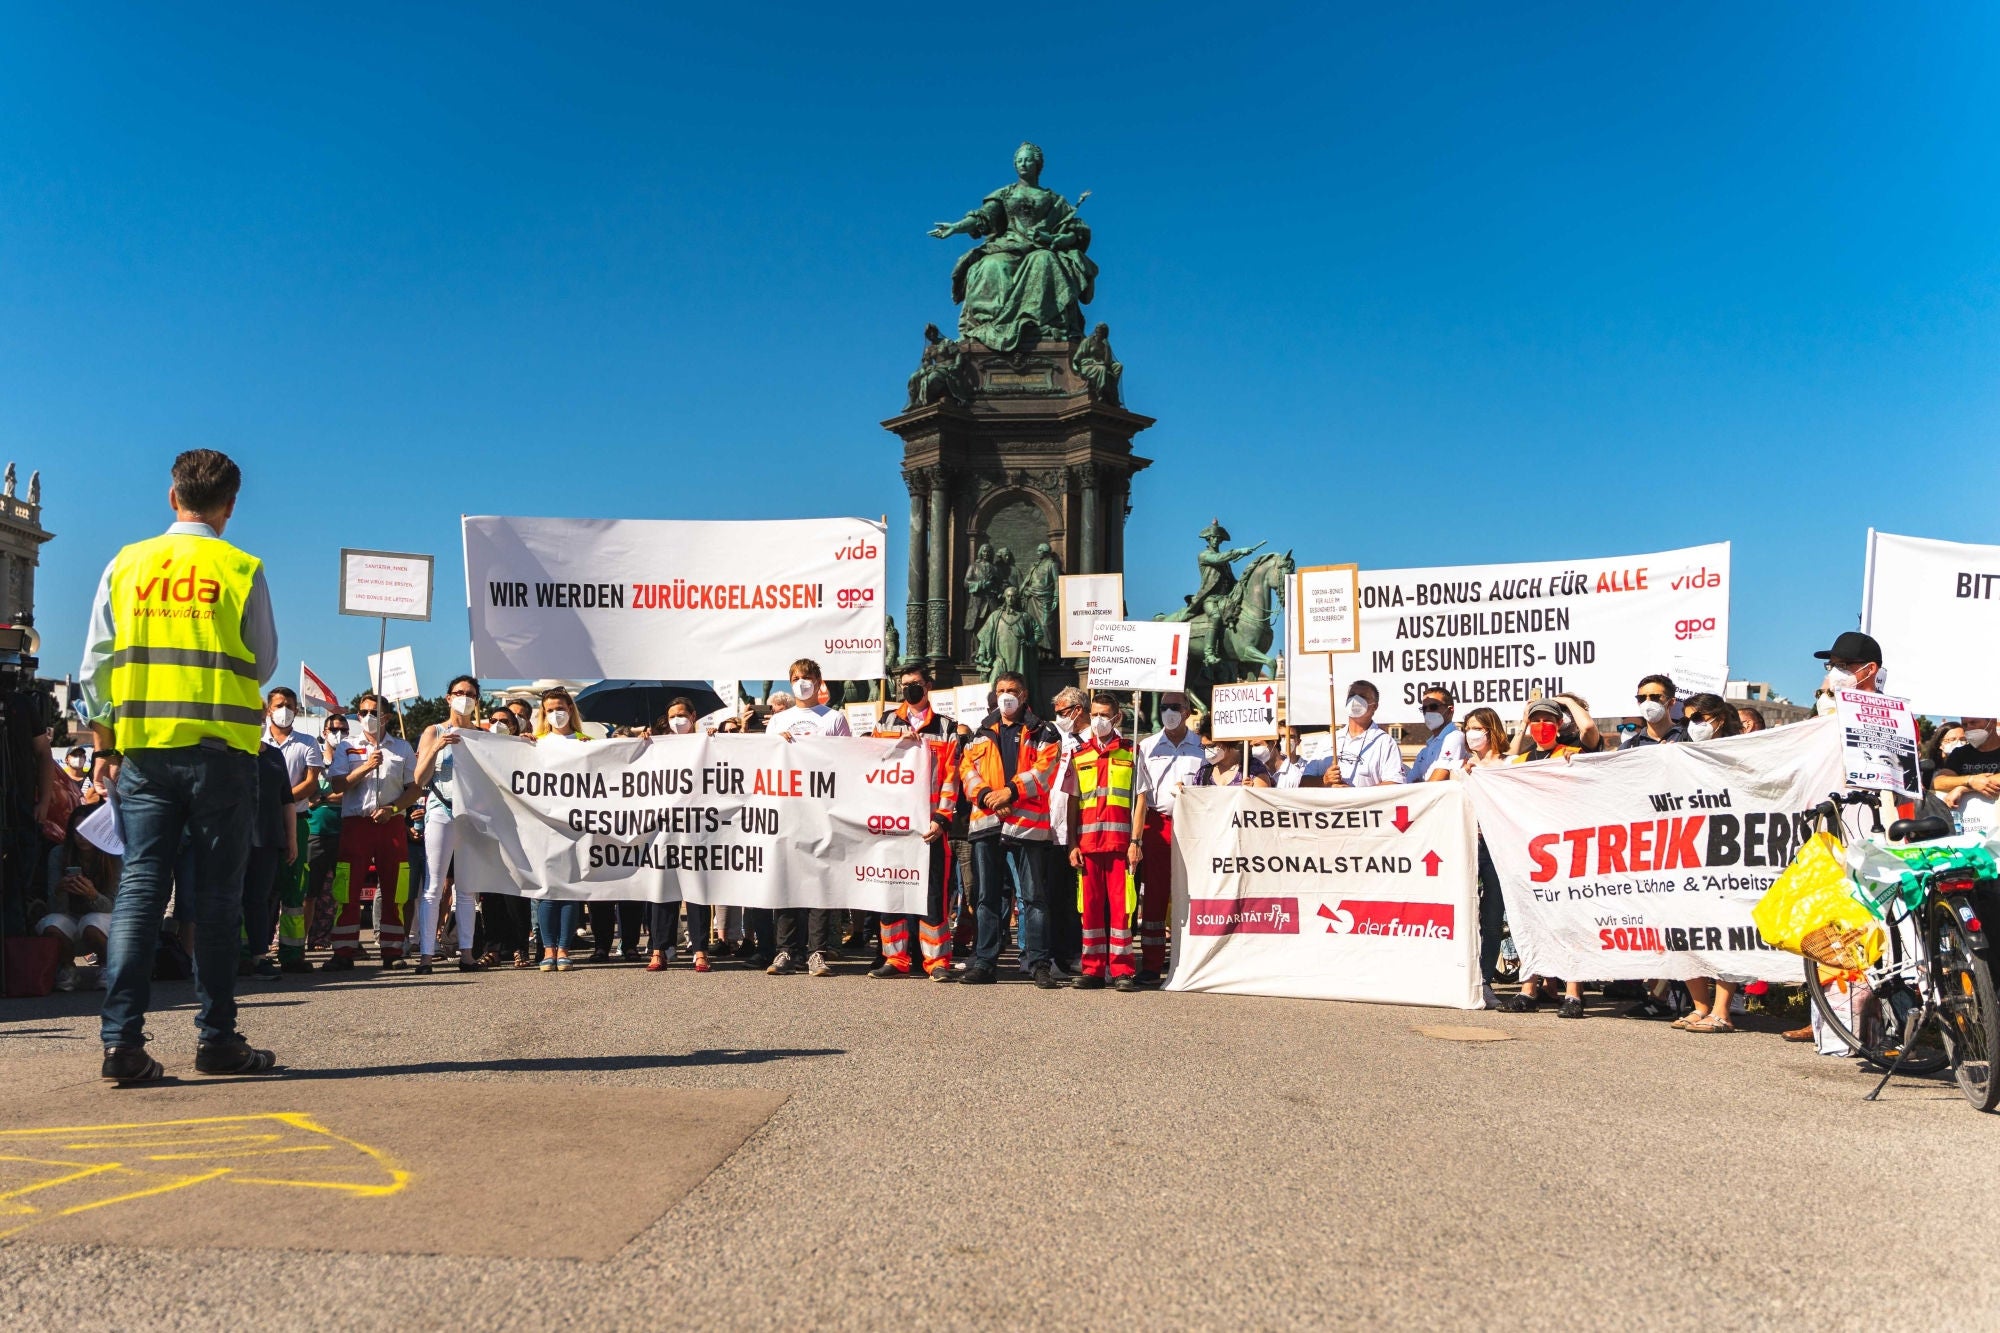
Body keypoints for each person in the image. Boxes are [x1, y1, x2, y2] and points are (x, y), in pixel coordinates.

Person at [78, 449, 278, 1082]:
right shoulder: (241, 567)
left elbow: (93, 669)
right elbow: (264, 661)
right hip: (221, 755)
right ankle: (217, 1040)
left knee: (139, 891)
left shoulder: (127, 563)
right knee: (217, 899)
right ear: (230, 505)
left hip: (142, 752)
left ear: (172, 497)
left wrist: (106, 744)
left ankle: (123, 1045)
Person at [959, 671, 1061, 987]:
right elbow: (967, 771)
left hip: (1027, 826)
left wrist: (1010, 793)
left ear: (1025, 694)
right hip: (988, 822)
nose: (1007, 695)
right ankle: (985, 962)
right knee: (987, 896)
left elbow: (1045, 769)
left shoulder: (1044, 730)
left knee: (1032, 897)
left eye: (1012, 690)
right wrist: (990, 797)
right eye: (1001, 690)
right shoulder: (980, 733)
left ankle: (1038, 963)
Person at [1496, 699, 1588, 1019]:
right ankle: (1528, 989)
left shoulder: (1572, 754)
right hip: (1530, 851)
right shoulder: (1522, 759)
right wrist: (1522, 723)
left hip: (1565, 849)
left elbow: (1588, 731)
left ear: (1560, 723)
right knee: (1529, 919)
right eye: (1536, 720)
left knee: (1569, 921)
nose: (1541, 725)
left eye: (1549, 719)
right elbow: (1502, 768)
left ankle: (1574, 994)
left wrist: (1565, 703)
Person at [868, 664, 961, 980]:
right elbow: (871, 764)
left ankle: (936, 962)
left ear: (929, 686)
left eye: (916, 684)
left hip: (928, 827)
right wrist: (897, 745)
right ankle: (896, 958)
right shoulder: (887, 722)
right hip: (893, 824)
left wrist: (942, 819)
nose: (910, 689)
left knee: (933, 893)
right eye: (904, 684)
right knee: (891, 890)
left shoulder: (946, 728)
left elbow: (952, 777)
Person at [765, 660, 849, 977]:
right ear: (789, 683)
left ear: (819, 682)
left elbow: (847, 760)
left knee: (819, 881)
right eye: (796, 678)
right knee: (786, 881)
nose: (802, 683)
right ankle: (786, 951)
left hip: (822, 812)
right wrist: (777, 745)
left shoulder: (834, 718)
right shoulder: (778, 721)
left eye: (808, 678)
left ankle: (816, 952)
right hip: (787, 812)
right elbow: (763, 763)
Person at [324, 691, 420, 970]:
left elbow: (413, 789)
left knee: (395, 888)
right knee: (347, 887)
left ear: (387, 717)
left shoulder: (401, 748)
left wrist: (393, 809)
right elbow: (338, 786)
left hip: (390, 824)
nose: (368, 718)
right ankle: (343, 951)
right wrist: (367, 766)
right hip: (356, 824)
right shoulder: (347, 747)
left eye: (374, 713)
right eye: (363, 713)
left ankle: (392, 951)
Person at [410, 675, 489, 975]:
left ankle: (466, 955)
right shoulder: (434, 730)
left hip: (471, 816)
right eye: (459, 693)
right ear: (448, 697)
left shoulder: (482, 734)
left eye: (470, 694)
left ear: (477, 700)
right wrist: (437, 746)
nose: (464, 698)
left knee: (468, 888)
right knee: (433, 885)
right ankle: (426, 955)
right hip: (441, 809)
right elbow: (419, 779)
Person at [1064, 693, 1143, 991]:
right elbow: (1072, 803)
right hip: (1088, 846)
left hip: (1121, 846)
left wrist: (1136, 840)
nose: (1098, 720)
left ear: (1117, 717)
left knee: (1122, 909)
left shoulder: (1131, 752)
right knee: (1091, 908)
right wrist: (1071, 843)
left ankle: (1123, 971)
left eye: (1104, 714)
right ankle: (1094, 970)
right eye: (1094, 713)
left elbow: (1141, 798)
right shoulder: (1079, 754)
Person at [1130, 690, 1205, 983]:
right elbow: (1139, 795)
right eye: (1164, 707)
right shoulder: (1146, 746)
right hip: (1157, 823)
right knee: (1156, 895)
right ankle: (1151, 963)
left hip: (1194, 827)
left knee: (1191, 892)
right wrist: (1136, 839)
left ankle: (1187, 960)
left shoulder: (1201, 746)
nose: (1169, 712)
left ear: (1188, 710)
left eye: (1175, 706)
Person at [259, 686, 323, 973]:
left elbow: (311, 783)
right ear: (269, 709)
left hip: (296, 821)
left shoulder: (307, 742)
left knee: (294, 891)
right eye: (280, 704)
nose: (285, 710)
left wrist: (281, 798)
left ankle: (293, 953)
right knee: (258, 889)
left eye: (290, 705)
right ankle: (252, 951)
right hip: (261, 824)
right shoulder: (255, 741)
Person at [1453, 706, 1512, 1007]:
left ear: (1492, 730)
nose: (1471, 733)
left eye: (1478, 727)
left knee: (1491, 917)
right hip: (1467, 846)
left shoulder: (1509, 765)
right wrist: (1460, 778)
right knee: (1463, 914)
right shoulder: (1462, 768)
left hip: (1498, 848)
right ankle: (1462, 976)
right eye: (1467, 728)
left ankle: (1485, 979)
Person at [648, 697, 709, 972]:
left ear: (693, 716)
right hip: (664, 830)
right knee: (663, 889)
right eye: (672, 716)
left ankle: (700, 951)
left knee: (696, 890)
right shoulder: (658, 747)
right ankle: (659, 949)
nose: (677, 720)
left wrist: (717, 741)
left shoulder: (706, 743)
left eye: (682, 714)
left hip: (696, 829)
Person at [531, 687, 588, 971]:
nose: (556, 713)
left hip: (574, 825)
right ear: (543, 713)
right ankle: (548, 948)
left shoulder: (585, 742)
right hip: (544, 826)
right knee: (546, 889)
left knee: (569, 889)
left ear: (570, 708)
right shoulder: (535, 743)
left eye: (560, 707)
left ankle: (564, 947)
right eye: (550, 709)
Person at [478, 703, 534, 966]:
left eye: (505, 721)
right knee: (490, 891)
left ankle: (519, 946)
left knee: (515, 891)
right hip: (486, 825)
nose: (499, 724)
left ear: (515, 726)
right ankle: (493, 947)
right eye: (493, 719)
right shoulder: (478, 746)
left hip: (517, 827)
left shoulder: (523, 748)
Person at [1041, 684, 1090, 978]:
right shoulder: (1056, 739)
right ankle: (1059, 956)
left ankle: (1079, 953)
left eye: (1062, 712)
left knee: (1080, 900)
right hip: (1054, 829)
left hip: (1083, 831)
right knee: (1056, 898)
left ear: (1077, 710)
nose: (1058, 717)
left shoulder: (1095, 741)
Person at [1303, 680, 1404, 788]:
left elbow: (1395, 785)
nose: (1355, 700)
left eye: (1362, 696)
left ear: (1374, 707)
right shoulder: (1328, 740)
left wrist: (1354, 795)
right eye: (1351, 695)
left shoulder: (1384, 742)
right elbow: (1303, 783)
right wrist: (1323, 780)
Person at [304, 714, 347, 952]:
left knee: (335, 893)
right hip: (315, 832)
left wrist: (323, 798)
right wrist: (324, 797)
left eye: (344, 730)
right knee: (309, 892)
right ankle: (297, 940)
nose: (338, 734)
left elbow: (351, 791)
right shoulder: (314, 758)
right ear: (324, 732)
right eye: (334, 729)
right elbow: (307, 791)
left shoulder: (351, 759)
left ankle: (322, 938)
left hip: (343, 832)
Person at [1935, 718, 2000, 835]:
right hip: (1969, 829)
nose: (1969, 728)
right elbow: (1939, 782)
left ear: (1992, 722)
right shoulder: (1960, 753)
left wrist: (1963, 788)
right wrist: (1970, 780)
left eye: (1974, 722)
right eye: (1965, 725)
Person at [1405, 685, 1467, 782]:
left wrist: (1419, 785)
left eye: (1433, 707)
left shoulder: (1455, 737)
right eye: (1424, 709)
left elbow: (1437, 781)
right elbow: (1409, 782)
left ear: (1450, 711)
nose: (1428, 712)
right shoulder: (1425, 750)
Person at [1190, 718, 1272, 787]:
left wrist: (1249, 794)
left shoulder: (1253, 769)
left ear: (1226, 741)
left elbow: (1262, 802)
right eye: (1204, 747)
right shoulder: (1203, 773)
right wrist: (1183, 791)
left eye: (1211, 746)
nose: (1207, 750)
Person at [1621, 674, 1685, 748]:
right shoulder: (1628, 747)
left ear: (1671, 702)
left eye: (1655, 697)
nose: (1647, 702)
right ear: (1638, 702)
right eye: (1642, 698)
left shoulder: (1689, 737)